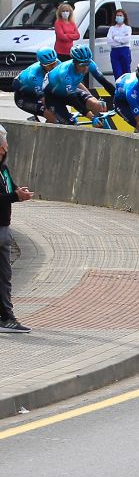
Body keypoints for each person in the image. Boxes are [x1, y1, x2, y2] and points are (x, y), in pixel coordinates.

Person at [0, 128, 35, 334]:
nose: (5, 150)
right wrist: (15, 197)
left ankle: (6, 316)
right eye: (4, 147)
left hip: (4, 229)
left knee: (5, 275)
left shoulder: (4, 169)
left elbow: (10, 189)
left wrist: (19, 192)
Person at [43, 47, 116, 126]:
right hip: (53, 97)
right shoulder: (64, 73)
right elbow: (73, 100)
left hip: (69, 91)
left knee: (96, 104)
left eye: (87, 64)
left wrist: (117, 99)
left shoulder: (90, 64)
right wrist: (91, 117)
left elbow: (104, 83)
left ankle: (102, 132)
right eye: (82, 65)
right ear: (75, 62)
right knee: (71, 124)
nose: (85, 68)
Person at [14, 49, 60, 123]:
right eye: (50, 65)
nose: (54, 67)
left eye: (54, 63)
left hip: (37, 91)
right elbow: (44, 101)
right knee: (53, 116)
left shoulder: (57, 63)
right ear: (41, 64)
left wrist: (85, 93)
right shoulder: (34, 76)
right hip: (24, 97)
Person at [108, 8, 133, 78]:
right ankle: (119, 88)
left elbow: (127, 39)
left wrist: (115, 38)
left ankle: (127, 88)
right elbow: (109, 41)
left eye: (120, 15)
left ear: (124, 17)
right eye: (117, 15)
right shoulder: (112, 28)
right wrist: (121, 41)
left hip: (125, 51)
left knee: (126, 72)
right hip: (115, 52)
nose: (119, 17)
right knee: (117, 72)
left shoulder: (128, 28)